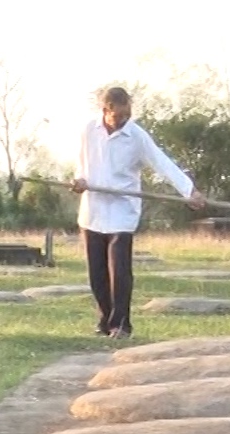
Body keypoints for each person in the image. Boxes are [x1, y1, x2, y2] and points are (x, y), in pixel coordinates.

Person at [71, 86, 205, 338]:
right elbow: (80, 163)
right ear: (105, 110)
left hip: (122, 211)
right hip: (93, 210)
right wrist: (78, 181)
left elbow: (162, 163)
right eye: (119, 116)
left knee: (119, 270)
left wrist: (189, 191)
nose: (124, 120)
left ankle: (121, 324)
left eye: (127, 114)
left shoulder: (136, 136)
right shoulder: (89, 130)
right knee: (96, 274)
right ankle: (105, 320)